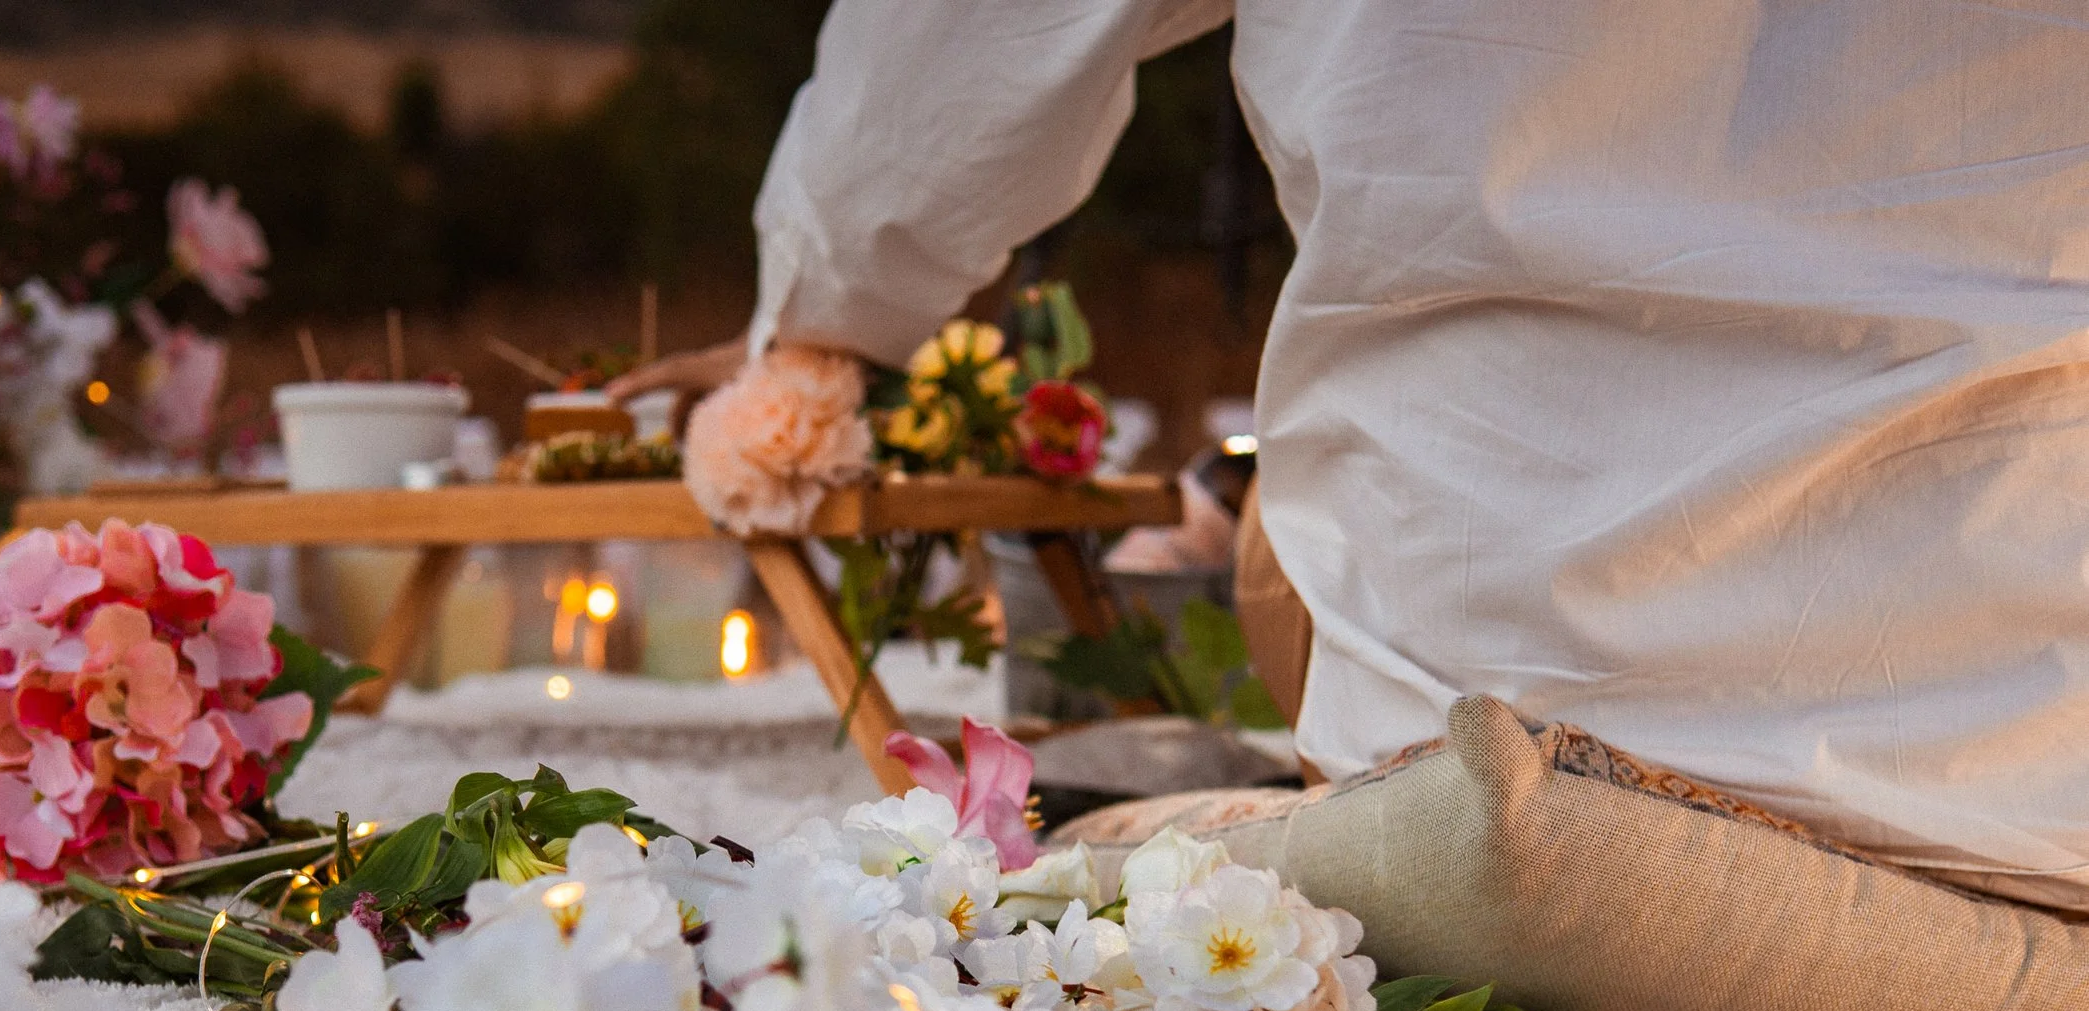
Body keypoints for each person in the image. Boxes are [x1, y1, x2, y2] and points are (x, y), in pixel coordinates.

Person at [617, 0, 2089, 911]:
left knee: (1291, 542)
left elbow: (950, 59)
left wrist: (811, 328)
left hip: (1495, 719)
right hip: (2034, 749)